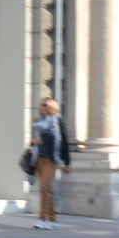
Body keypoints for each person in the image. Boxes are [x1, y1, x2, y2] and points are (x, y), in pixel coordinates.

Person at [30, 96, 71, 229]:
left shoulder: (58, 122)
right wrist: (33, 142)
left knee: (44, 187)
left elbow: (64, 143)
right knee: (47, 189)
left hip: (52, 160)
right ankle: (51, 220)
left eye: (44, 105)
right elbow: (32, 141)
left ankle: (43, 218)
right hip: (40, 158)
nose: (41, 107)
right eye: (41, 105)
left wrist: (67, 163)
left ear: (51, 107)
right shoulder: (38, 122)